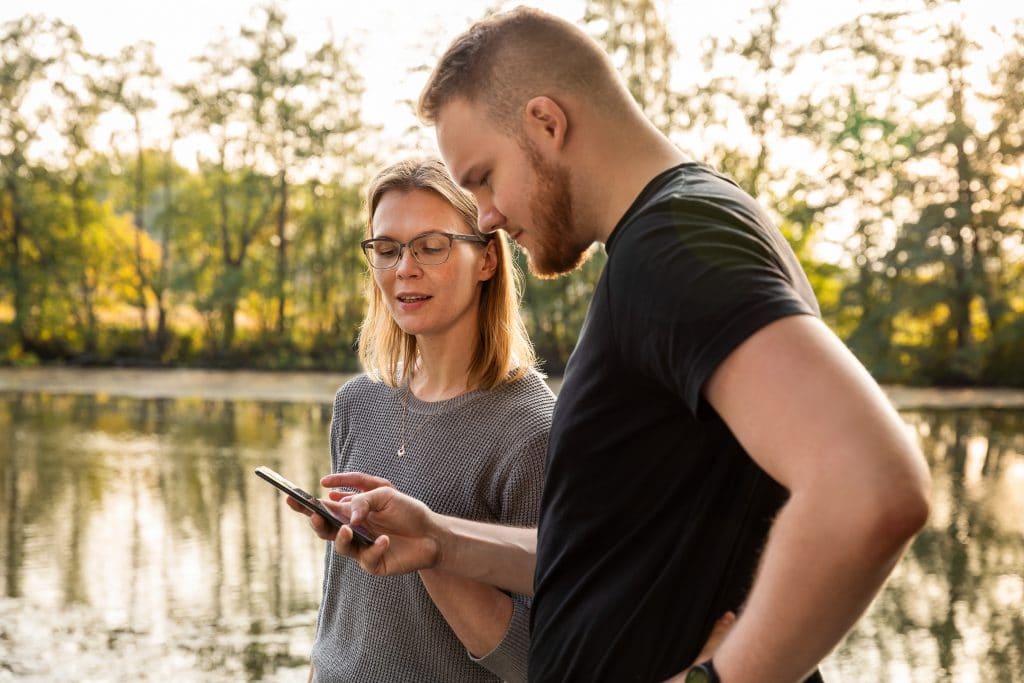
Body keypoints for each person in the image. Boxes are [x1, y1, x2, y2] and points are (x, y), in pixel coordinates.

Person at [323, 8, 932, 683]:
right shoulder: (678, 233)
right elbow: (617, 554)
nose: (488, 215)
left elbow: (872, 484)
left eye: (485, 177)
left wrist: (718, 679)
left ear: (546, 124)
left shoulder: (676, 246)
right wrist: (437, 538)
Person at [287, 157, 554, 683]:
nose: (404, 268)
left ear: (487, 260)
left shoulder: (532, 427)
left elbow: (536, 661)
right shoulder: (357, 404)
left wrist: (430, 551)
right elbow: (339, 608)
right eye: (386, 249)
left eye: (431, 246)